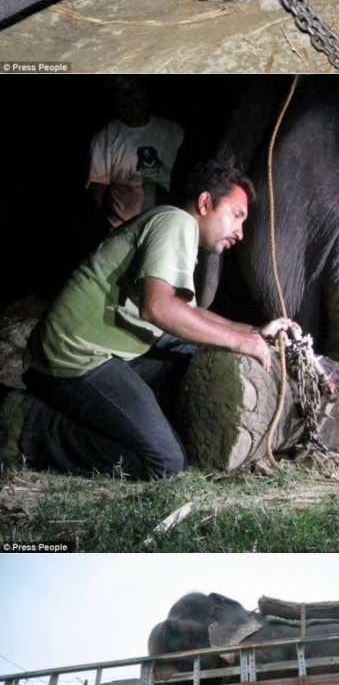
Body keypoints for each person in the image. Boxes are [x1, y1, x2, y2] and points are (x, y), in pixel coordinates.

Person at [14, 159, 300, 481]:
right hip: (75, 356)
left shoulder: (178, 231)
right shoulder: (175, 222)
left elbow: (189, 313)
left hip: (107, 351)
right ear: (205, 203)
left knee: (189, 359)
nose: (241, 232)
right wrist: (240, 342)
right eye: (236, 215)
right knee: (163, 462)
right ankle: (30, 424)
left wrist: (252, 331)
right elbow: (159, 308)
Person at [87, 77, 184, 229]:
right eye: (123, 93)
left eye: (134, 90)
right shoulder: (105, 137)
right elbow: (98, 188)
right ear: (115, 100)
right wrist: (102, 226)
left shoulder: (173, 132)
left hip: (164, 224)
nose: (131, 99)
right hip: (121, 226)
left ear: (145, 92)